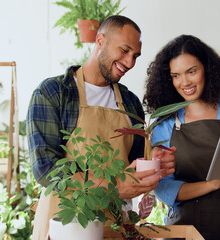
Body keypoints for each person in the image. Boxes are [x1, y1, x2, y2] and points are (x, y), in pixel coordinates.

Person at [27, 15, 175, 240]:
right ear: (100, 40)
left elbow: (134, 168)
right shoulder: (54, 93)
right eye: (124, 50)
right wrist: (113, 187)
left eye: (135, 56)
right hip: (65, 225)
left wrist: (154, 163)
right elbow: (47, 170)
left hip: (116, 225)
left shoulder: (130, 102)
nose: (130, 62)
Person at [143, 35, 220, 240]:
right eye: (176, 75)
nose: (184, 82)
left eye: (192, 71)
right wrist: (211, 185)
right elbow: (163, 188)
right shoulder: (163, 124)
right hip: (183, 231)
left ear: (207, 69)